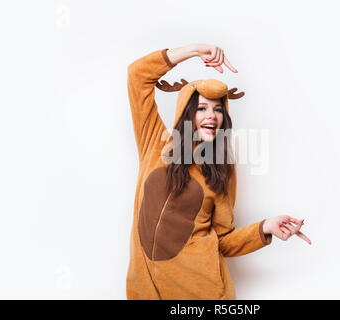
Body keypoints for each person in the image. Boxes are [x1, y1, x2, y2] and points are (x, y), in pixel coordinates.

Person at [126, 43, 312, 300]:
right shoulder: (154, 144)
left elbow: (223, 240)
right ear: (186, 113)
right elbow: (137, 75)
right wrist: (194, 50)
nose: (211, 115)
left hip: (205, 293)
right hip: (144, 290)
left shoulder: (220, 171)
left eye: (217, 109)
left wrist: (265, 228)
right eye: (201, 108)